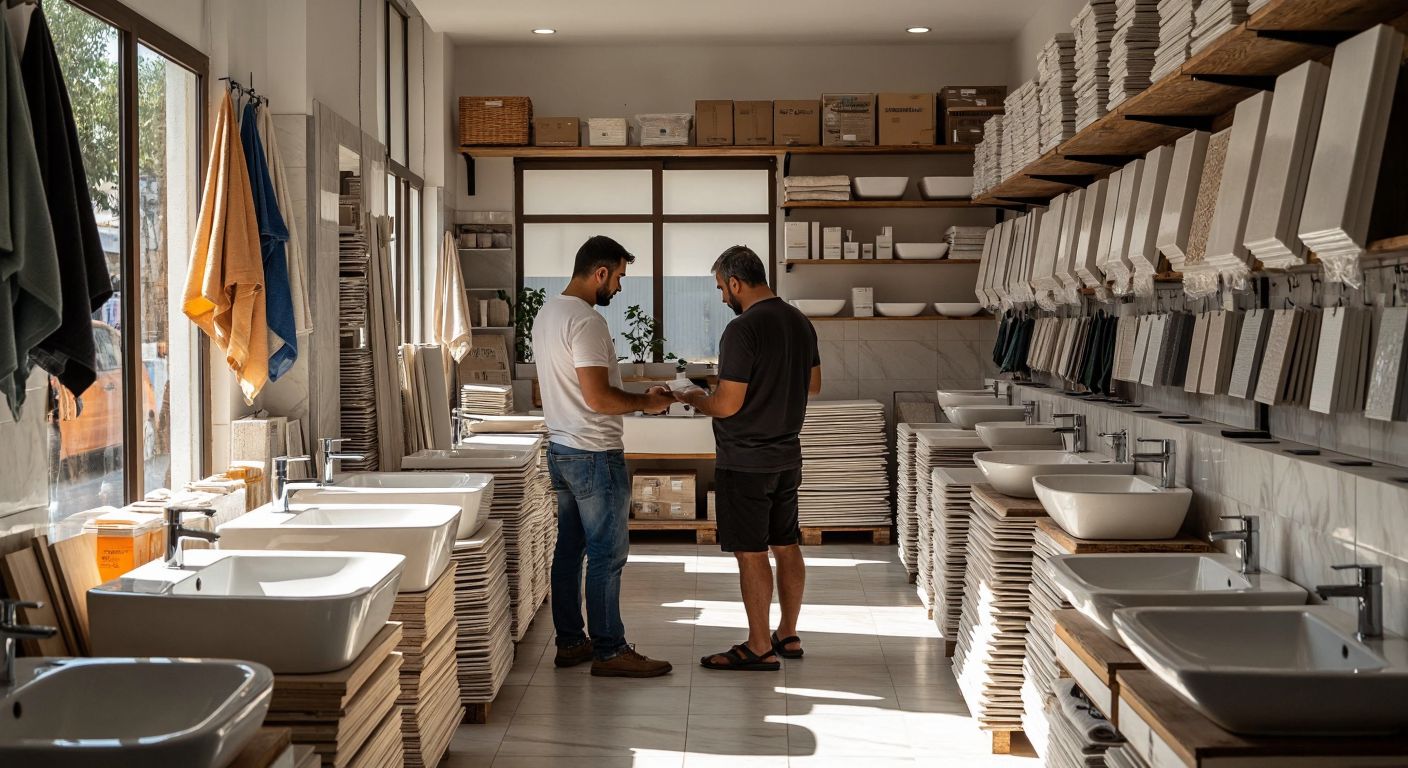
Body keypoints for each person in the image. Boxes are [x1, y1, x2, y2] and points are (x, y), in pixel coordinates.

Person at [533, 235, 676, 678]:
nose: (618, 288)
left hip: (562, 447)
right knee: (607, 555)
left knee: (570, 551)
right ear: (600, 273)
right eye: (618, 278)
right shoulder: (587, 321)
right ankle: (610, 650)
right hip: (594, 451)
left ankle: (571, 642)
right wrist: (648, 402)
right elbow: (598, 398)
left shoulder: (547, 313)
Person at [674, 245, 821, 671]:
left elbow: (726, 405)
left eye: (722, 288)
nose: (723, 298)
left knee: (751, 552)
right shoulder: (799, 322)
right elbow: (812, 385)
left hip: (745, 460)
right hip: (786, 456)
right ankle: (787, 634)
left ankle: (759, 645)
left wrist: (694, 396)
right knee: (786, 544)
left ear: (736, 282)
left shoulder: (742, 329)